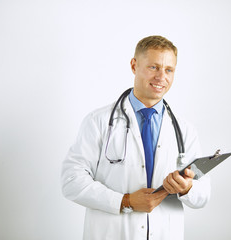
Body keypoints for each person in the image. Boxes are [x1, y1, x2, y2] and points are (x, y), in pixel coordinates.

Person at [61, 35, 210, 240]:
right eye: (153, 67)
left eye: (169, 70)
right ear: (134, 65)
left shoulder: (185, 130)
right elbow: (72, 181)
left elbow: (203, 194)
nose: (161, 77)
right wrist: (125, 201)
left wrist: (187, 188)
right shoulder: (98, 121)